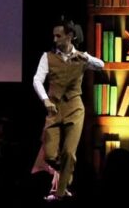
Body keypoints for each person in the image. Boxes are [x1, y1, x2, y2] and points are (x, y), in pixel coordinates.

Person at [32, 18, 105, 198]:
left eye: (59, 36)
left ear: (69, 36)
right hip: (54, 108)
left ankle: (61, 193)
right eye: (54, 36)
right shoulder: (47, 57)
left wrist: (87, 57)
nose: (55, 39)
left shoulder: (80, 57)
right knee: (50, 154)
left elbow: (101, 65)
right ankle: (65, 170)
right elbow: (37, 80)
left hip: (74, 108)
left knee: (69, 152)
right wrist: (45, 100)